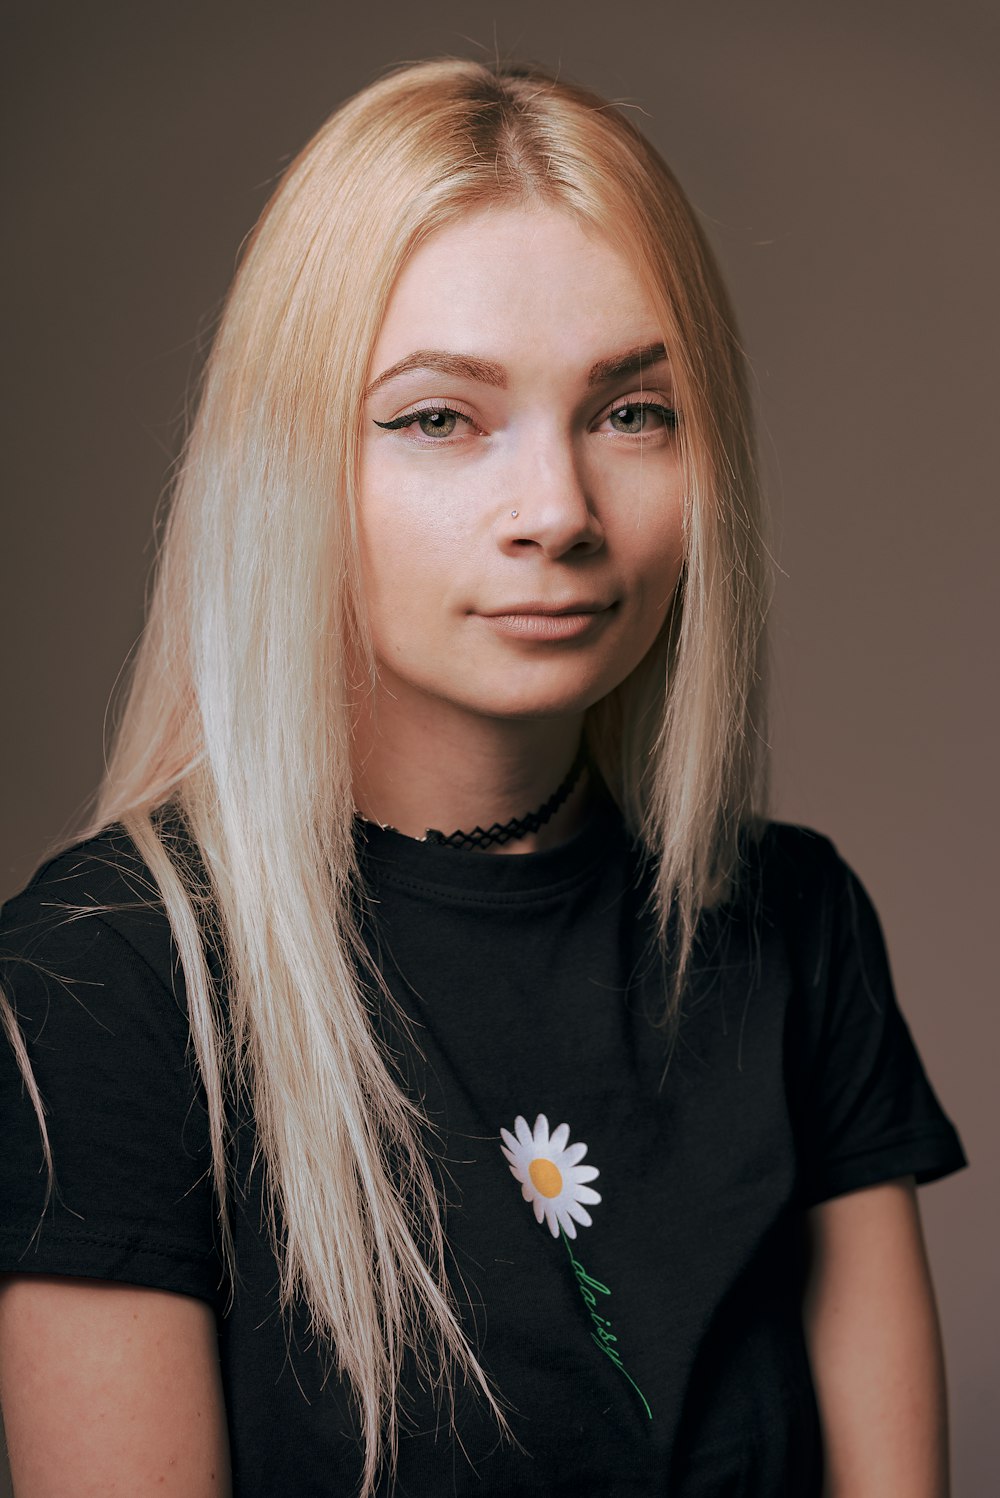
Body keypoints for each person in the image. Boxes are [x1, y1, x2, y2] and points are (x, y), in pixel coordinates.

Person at [0, 58, 966, 1498]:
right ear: (291, 465)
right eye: (441, 418)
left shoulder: (792, 924)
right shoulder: (115, 978)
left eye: (631, 411)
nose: (560, 513)